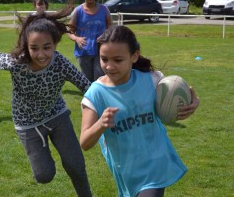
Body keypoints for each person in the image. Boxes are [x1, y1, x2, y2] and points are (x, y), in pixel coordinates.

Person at [0, 4, 92, 197]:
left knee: (76, 165)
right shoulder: (17, 63)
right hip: (28, 123)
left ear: (55, 44)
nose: (41, 54)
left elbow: (86, 85)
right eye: (34, 48)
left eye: (47, 47)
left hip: (57, 115)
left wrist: (110, 97)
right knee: (44, 175)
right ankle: (43, 160)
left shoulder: (60, 63)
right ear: (26, 46)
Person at [80, 25, 200, 197]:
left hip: (155, 163)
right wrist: (101, 124)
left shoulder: (151, 79)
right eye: (104, 59)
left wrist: (194, 103)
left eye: (118, 60)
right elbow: (85, 143)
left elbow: (176, 93)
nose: (109, 66)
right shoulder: (95, 94)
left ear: (134, 56)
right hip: (127, 170)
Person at [68, 0, 112, 82]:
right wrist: (77, 39)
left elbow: (109, 25)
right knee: (87, 81)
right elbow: (69, 31)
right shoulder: (78, 11)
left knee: (100, 79)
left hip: (101, 50)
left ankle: (100, 95)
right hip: (84, 51)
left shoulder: (104, 9)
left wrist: (105, 34)